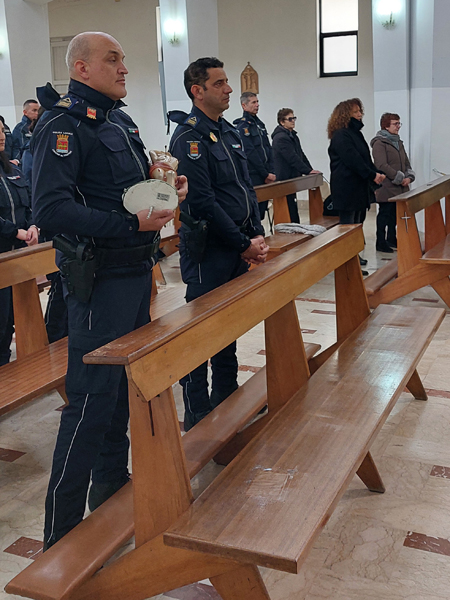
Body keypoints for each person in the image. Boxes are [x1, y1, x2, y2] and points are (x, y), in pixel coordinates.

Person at [31, 31, 188, 548]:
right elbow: (51, 210)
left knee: (121, 391)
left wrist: (166, 188)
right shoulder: (62, 125)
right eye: (112, 59)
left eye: (123, 59)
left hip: (134, 273)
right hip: (98, 281)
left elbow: (123, 191)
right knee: (90, 401)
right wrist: (129, 225)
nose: (124, 68)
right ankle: (60, 539)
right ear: (81, 68)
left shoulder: (118, 120)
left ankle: (112, 494)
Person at [169, 57, 269, 431]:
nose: (229, 89)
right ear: (198, 91)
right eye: (219, 83)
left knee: (227, 325)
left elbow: (244, 186)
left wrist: (255, 233)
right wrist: (243, 243)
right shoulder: (188, 137)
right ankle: (197, 410)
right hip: (208, 248)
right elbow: (203, 202)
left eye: (227, 82)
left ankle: (226, 393)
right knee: (200, 332)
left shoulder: (228, 131)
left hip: (236, 243)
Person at [327, 98, 385, 274]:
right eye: (356, 112)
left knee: (357, 224)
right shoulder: (341, 135)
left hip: (359, 187)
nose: (360, 114)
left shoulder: (355, 133)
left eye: (360, 111)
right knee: (348, 227)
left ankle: (354, 256)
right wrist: (372, 175)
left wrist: (376, 172)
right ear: (345, 115)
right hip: (346, 188)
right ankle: (347, 263)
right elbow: (352, 160)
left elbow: (365, 158)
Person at [0, 120, 39, 366]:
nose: (1, 135)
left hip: (19, 256)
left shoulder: (11, 169)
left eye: (1, 130)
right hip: (3, 253)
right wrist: (16, 232)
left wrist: (33, 226)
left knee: (14, 319)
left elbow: (30, 200)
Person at [370, 113, 415, 252]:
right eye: (395, 124)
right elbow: (381, 164)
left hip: (400, 187)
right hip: (386, 186)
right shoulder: (379, 143)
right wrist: (399, 178)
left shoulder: (398, 142)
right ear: (386, 126)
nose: (398, 126)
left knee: (394, 215)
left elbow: (406, 162)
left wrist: (409, 177)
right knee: (384, 214)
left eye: (399, 123)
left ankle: (391, 238)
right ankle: (380, 242)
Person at [271, 108, 320, 223]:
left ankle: (297, 227)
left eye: (294, 118)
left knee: (293, 206)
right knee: (289, 209)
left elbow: (300, 155)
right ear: (282, 122)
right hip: (284, 178)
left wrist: (310, 170)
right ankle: (293, 228)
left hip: (291, 178)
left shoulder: (292, 135)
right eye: (290, 119)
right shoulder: (281, 138)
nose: (293, 121)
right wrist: (307, 171)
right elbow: (292, 158)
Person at [233, 92, 275, 220]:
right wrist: (265, 174)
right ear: (244, 106)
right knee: (255, 211)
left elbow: (268, 148)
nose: (257, 105)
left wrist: (272, 171)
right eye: (253, 102)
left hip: (267, 173)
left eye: (257, 102)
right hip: (255, 174)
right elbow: (250, 153)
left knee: (262, 209)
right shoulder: (243, 127)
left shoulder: (259, 125)